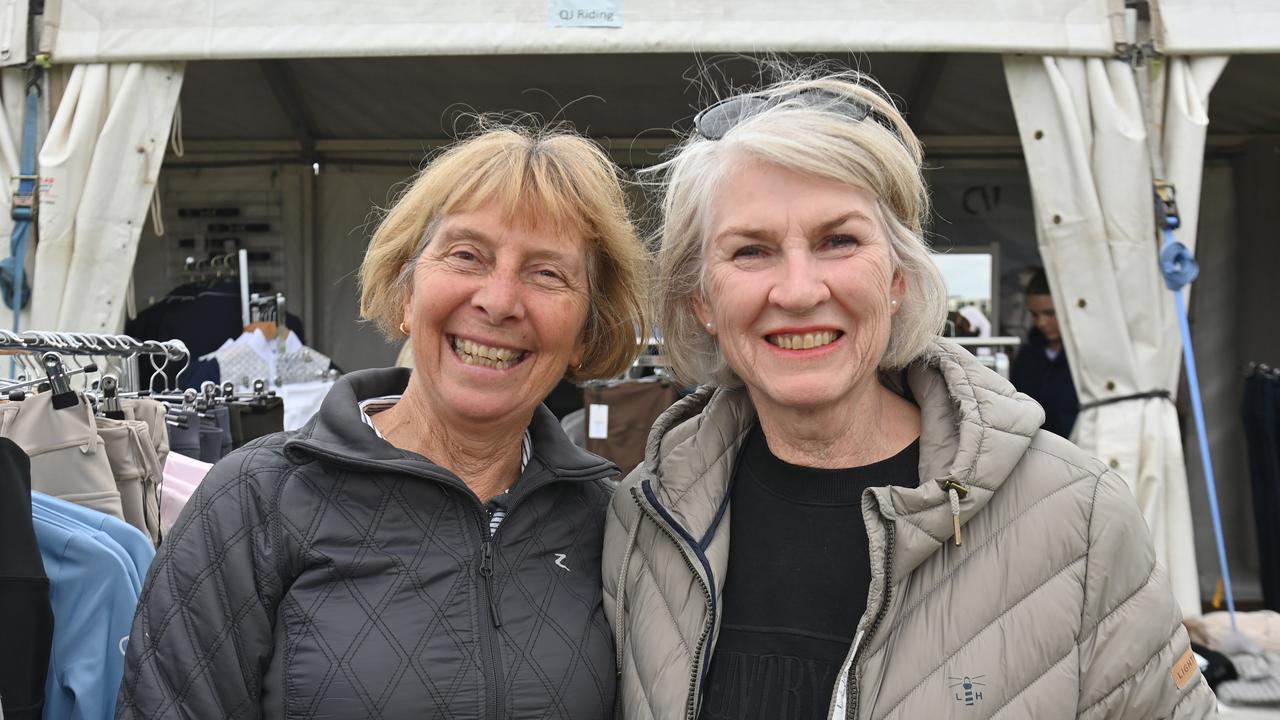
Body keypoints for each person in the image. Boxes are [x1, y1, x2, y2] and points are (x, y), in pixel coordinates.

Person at [603, 71, 1215, 719]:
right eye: (751, 251)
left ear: (897, 277)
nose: (800, 290)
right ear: (701, 301)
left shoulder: (1076, 518)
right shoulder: (642, 520)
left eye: (838, 241)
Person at [117, 125, 650, 718]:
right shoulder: (257, 501)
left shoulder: (609, 523)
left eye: (547, 273)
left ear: (587, 332)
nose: (499, 302)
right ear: (405, 292)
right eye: (467, 255)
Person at [1010, 267, 1079, 437]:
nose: (1041, 322)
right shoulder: (1027, 358)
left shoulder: (1084, 358)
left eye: (1050, 313)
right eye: (1034, 315)